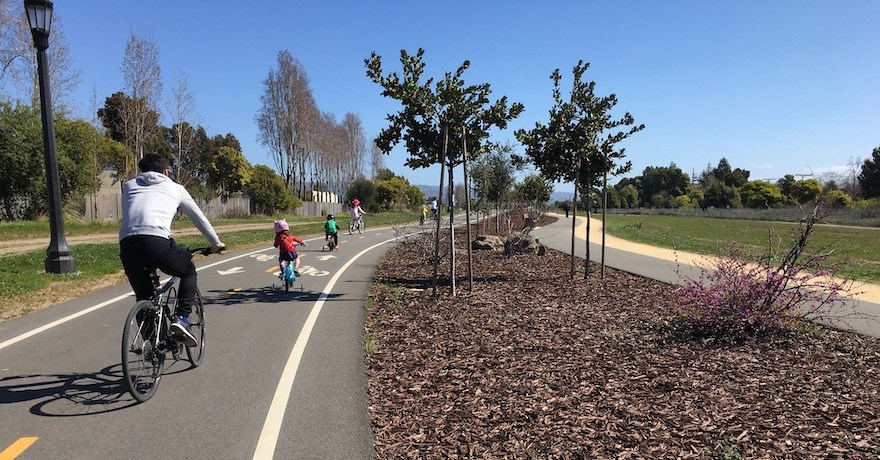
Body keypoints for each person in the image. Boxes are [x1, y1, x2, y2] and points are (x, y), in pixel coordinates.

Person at [119, 153, 224, 347]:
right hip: (156, 241)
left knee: (144, 296)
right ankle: (182, 319)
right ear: (166, 172)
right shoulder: (176, 188)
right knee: (188, 271)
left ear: (141, 171)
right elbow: (199, 218)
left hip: (127, 245)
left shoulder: (128, 186)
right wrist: (216, 243)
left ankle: (154, 345)